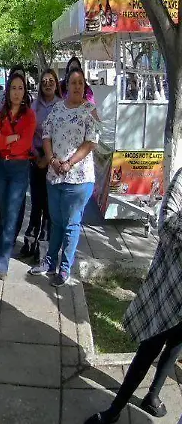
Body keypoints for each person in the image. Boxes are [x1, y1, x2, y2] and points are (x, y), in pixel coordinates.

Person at [85, 178, 182, 423]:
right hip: (169, 284)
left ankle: (152, 396)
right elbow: (166, 226)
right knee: (149, 346)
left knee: (177, 346)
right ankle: (114, 412)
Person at [31, 68, 99, 287]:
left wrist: (69, 163)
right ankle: (50, 261)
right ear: (66, 86)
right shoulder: (57, 108)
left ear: (84, 85)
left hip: (78, 178)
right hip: (55, 175)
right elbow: (46, 134)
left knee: (71, 224)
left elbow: (90, 142)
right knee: (57, 221)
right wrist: (51, 160)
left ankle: (64, 267)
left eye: (80, 83)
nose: (77, 86)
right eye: (73, 83)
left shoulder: (90, 111)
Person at [0, 73, 37, 279]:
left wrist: (5, 140)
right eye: (13, 88)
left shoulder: (29, 116)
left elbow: (25, 144)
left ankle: (2, 263)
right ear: (7, 91)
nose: (16, 92)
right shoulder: (1, 113)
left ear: (24, 91)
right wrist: (11, 138)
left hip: (19, 167)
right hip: (2, 166)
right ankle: (0, 254)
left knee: (11, 213)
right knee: (2, 208)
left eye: (20, 88)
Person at [25, 69, 61, 262]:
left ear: (56, 84)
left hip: (52, 160)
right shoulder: (34, 105)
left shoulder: (61, 106)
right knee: (36, 202)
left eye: (51, 81)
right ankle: (29, 242)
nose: (47, 84)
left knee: (48, 206)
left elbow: (60, 137)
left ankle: (43, 248)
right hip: (35, 158)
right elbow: (28, 131)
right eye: (44, 81)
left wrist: (46, 158)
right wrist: (34, 153)